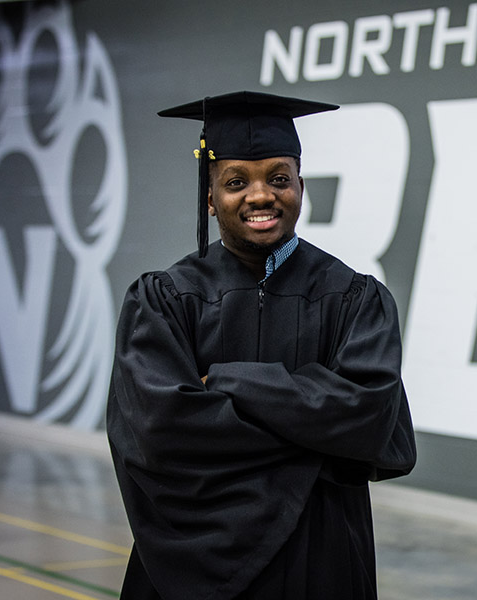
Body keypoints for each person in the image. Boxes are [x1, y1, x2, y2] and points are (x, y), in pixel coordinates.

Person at [106, 90, 417, 599]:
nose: (260, 195)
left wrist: (229, 380)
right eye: (235, 182)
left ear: (300, 186)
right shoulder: (164, 299)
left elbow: (373, 422)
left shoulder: (355, 297)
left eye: (278, 178)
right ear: (211, 198)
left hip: (319, 552)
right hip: (188, 553)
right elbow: (159, 431)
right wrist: (313, 436)